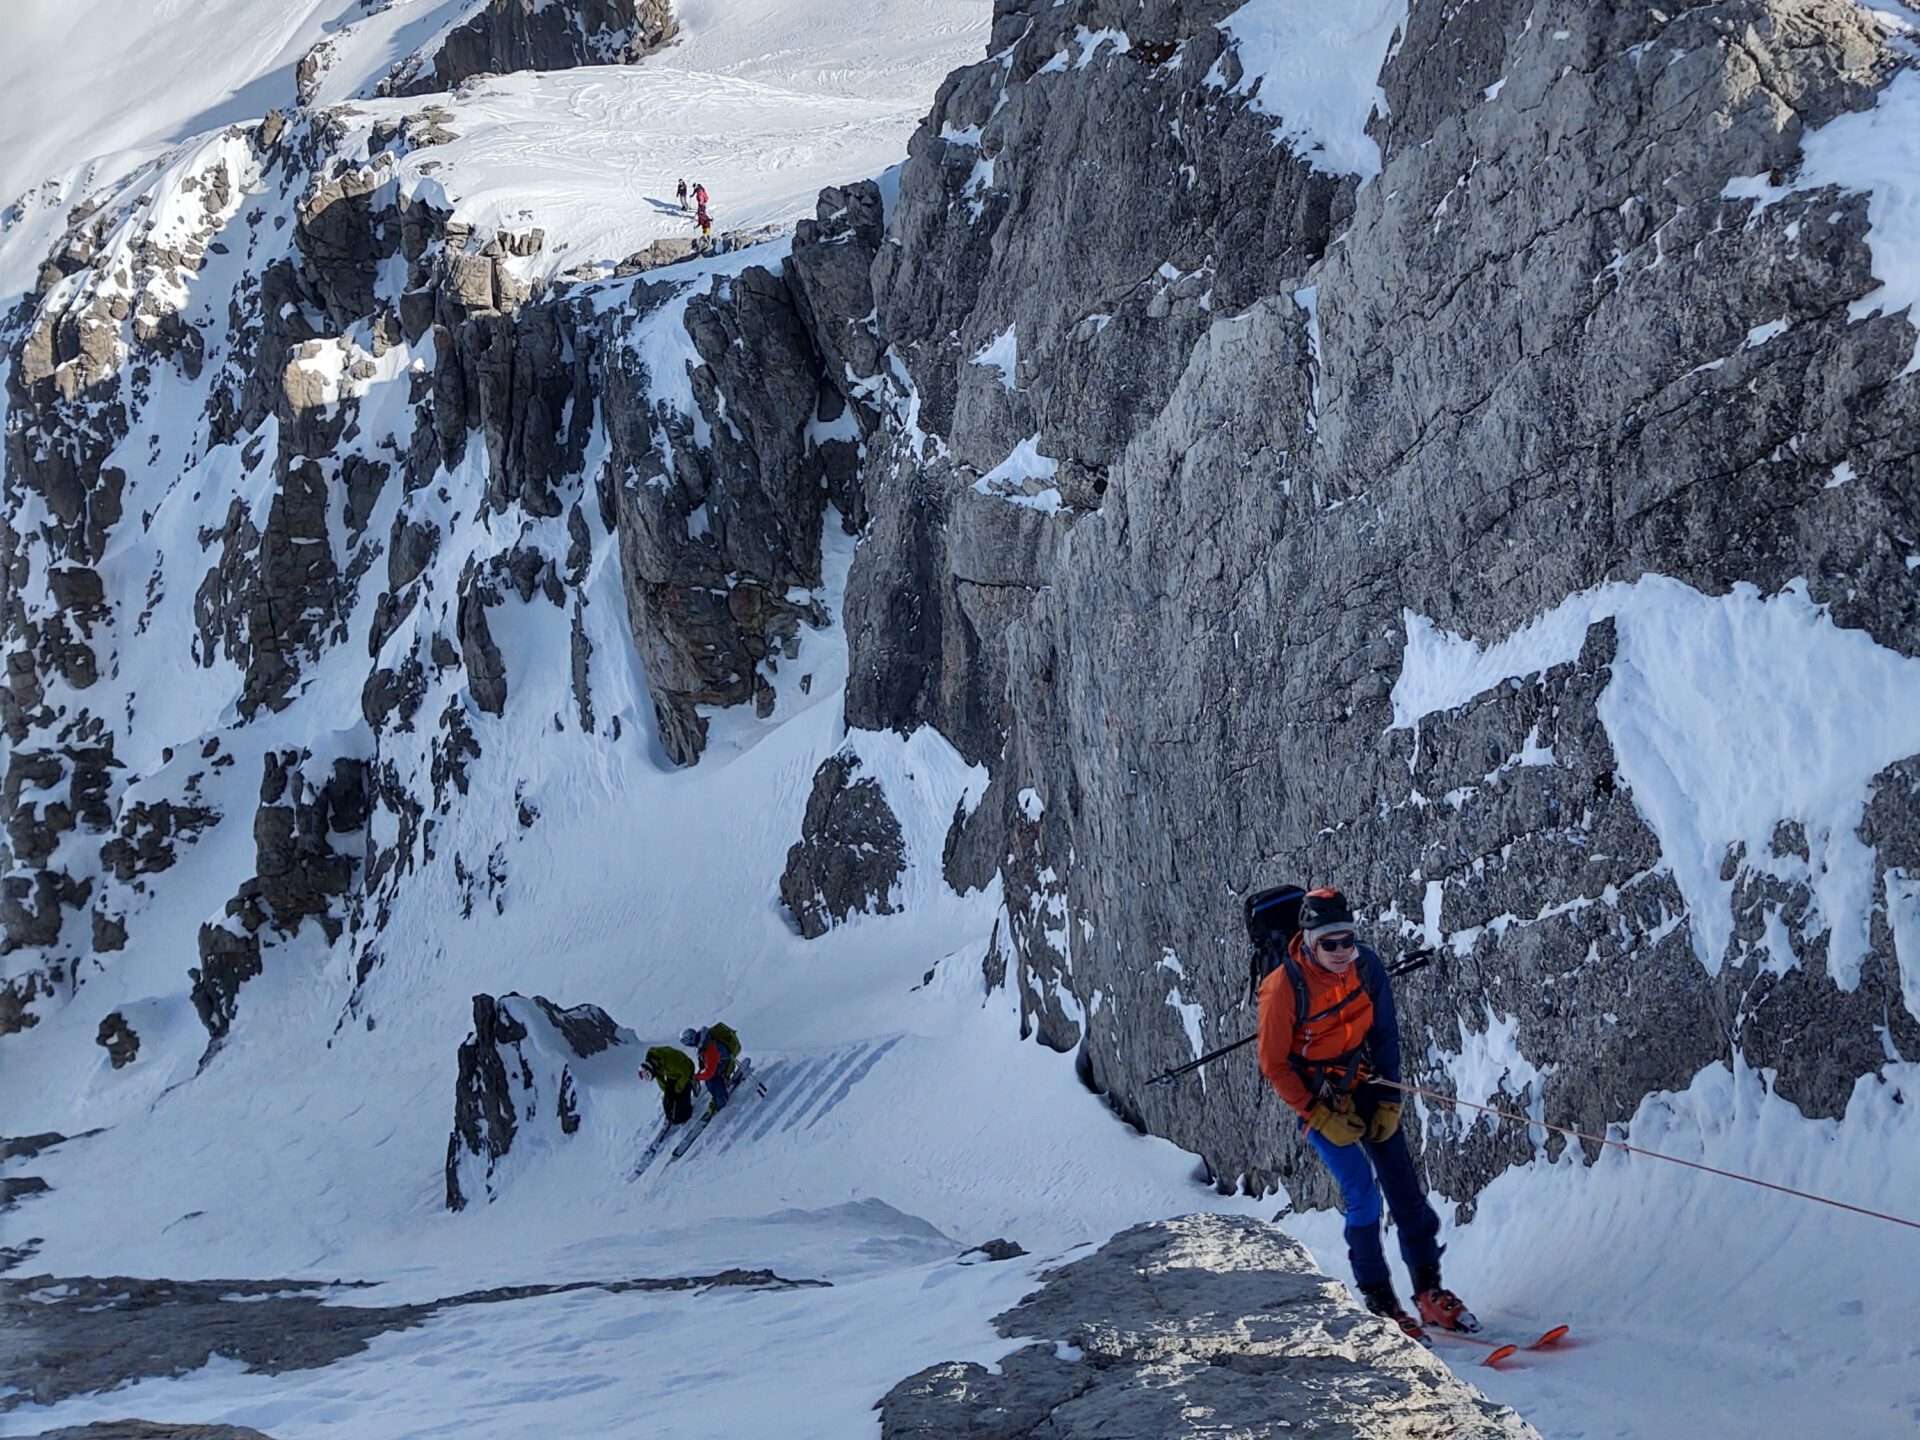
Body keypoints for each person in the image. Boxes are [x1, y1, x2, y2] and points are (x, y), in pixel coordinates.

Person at [1255, 886, 1477, 1342]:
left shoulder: (1367, 966)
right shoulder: (1283, 987)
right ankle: (1381, 1302)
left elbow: (1385, 1034)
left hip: (1368, 1084)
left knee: (1405, 1192)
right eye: (1329, 943)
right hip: (1320, 1100)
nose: (1341, 951)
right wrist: (1317, 1114)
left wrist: (1391, 1101)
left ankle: (1429, 1292)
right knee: (1363, 1196)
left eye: (1347, 940)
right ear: (1309, 941)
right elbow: (1275, 1064)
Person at [682, 1023, 740, 1114]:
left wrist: (697, 1077)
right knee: (710, 1079)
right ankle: (720, 1090)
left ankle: (721, 1099)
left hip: (726, 1061)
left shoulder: (708, 1048)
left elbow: (710, 1073)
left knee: (712, 1080)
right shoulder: (704, 1040)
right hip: (722, 1058)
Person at [639, 1044, 696, 1127]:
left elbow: (685, 1072)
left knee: (681, 1100)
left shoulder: (670, 1061)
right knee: (667, 1100)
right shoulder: (653, 1063)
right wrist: (668, 1092)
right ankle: (670, 1117)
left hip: (686, 1071)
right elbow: (660, 1078)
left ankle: (686, 1114)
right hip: (672, 1075)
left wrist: (678, 1088)